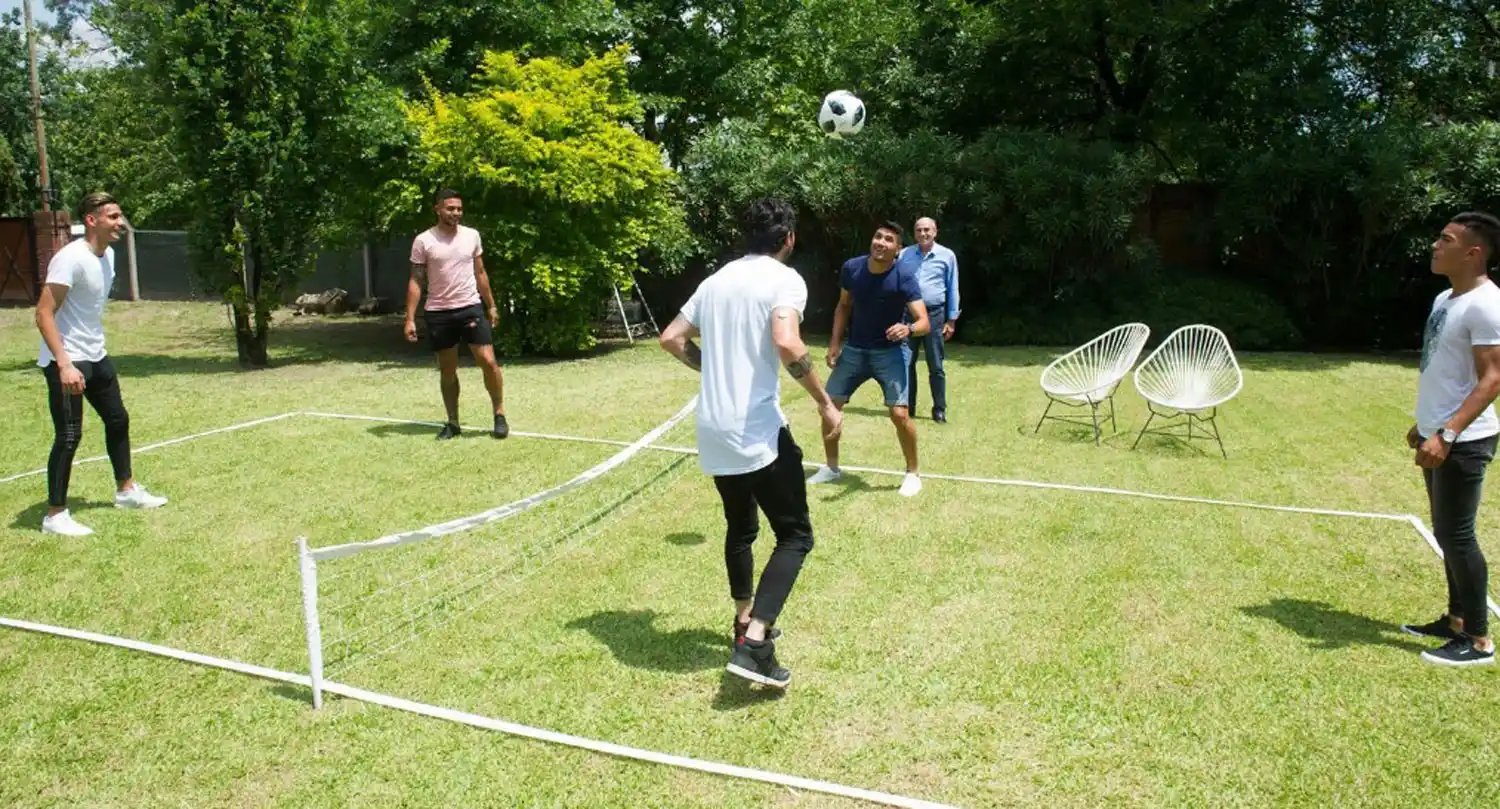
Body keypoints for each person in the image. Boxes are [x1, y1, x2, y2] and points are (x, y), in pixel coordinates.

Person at [658, 197, 842, 689]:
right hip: (756, 429)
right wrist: (825, 401)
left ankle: (744, 617)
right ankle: (755, 642)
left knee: (740, 526)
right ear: (788, 239)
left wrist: (712, 369)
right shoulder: (784, 279)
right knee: (795, 535)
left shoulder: (715, 281)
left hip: (713, 427)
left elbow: (672, 338)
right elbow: (787, 342)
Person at [34, 191, 168, 537]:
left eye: (119, 216)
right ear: (91, 220)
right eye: (112, 216)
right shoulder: (70, 259)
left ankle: (126, 491)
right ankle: (55, 514)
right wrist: (64, 364)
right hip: (67, 358)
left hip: (95, 354)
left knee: (117, 419)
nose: (119, 223)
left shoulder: (107, 256)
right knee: (69, 436)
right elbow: (43, 313)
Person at [1400, 211, 1500, 668]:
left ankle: (1478, 639)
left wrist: (1448, 432)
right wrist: (1424, 425)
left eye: (1446, 239)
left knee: (1457, 535)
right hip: (1437, 434)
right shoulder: (1446, 298)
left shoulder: (1486, 304)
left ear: (1473, 252)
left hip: (1465, 440)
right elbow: (1444, 371)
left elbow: (1492, 378)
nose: (1435, 246)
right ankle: (1457, 620)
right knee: (1446, 532)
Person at [806, 221, 930, 497]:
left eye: (889, 240)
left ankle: (913, 474)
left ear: (897, 250)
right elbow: (843, 306)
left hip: (891, 353)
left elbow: (924, 322)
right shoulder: (853, 268)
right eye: (878, 237)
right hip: (855, 350)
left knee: (899, 414)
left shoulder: (904, 275)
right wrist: (835, 343)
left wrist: (907, 328)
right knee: (829, 405)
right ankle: (831, 468)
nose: (881, 242)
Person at [405, 189, 508, 440]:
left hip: (470, 306)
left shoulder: (472, 236)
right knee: (448, 370)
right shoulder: (424, 241)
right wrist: (409, 318)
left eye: (459, 209)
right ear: (438, 209)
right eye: (450, 208)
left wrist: (491, 305)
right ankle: (453, 423)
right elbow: (416, 280)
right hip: (439, 312)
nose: (456, 213)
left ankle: (499, 414)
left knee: (489, 361)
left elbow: (481, 273)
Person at [896, 216, 959, 423]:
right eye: (919, 230)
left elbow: (953, 288)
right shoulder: (904, 255)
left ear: (935, 232)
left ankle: (939, 409)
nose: (923, 234)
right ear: (914, 233)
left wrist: (951, 320)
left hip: (934, 315)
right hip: (909, 315)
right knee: (906, 363)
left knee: (936, 365)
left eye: (927, 230)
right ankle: (909, 407)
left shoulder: (947, 256)